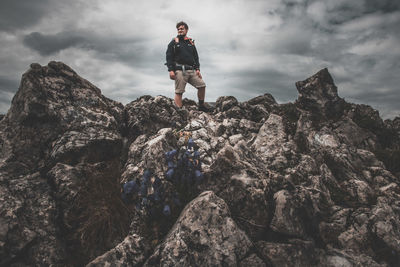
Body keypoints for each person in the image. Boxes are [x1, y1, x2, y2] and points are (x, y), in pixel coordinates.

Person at [166, 21, 209, 112]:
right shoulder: (173, 42)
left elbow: (196, 57)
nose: (180, 30)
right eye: (178, 29)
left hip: (192, 70)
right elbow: (168, 57)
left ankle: (201, 106)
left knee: (202, 86)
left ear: (186, 30)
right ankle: (179, 112)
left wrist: (197, 69)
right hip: (179, 70)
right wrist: (171, 70)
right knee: (179, 92)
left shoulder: (191, 43)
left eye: (182, 29)